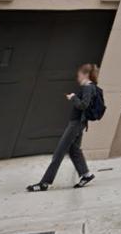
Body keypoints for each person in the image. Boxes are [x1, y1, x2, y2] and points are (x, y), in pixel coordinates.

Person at [27, 63, 102, 191]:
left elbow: (84, 105)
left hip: (76, 124)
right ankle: (86, 175)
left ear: (85, 74)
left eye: (79, 75)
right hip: (79, 123)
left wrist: (73, 97)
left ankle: (44, 183)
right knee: (74, 150)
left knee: (59, 153)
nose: (78, 78)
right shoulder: (90, 87)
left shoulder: (88, 88)